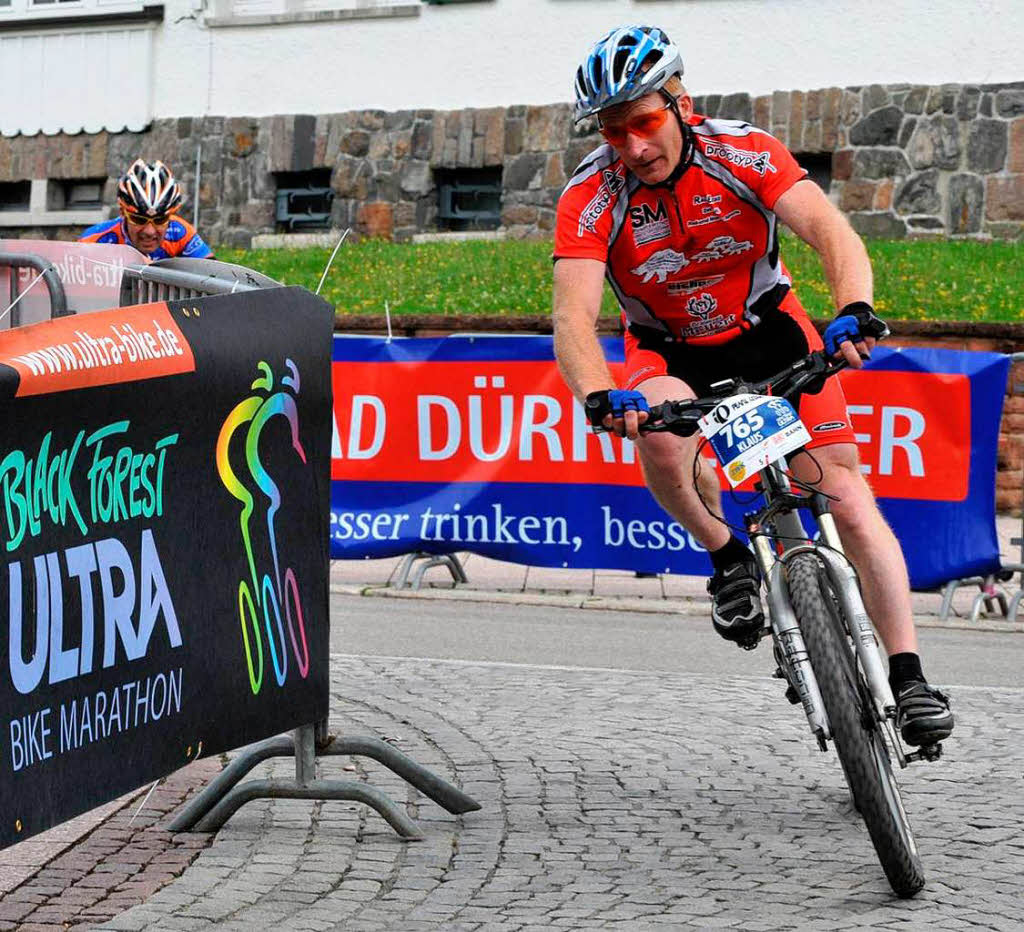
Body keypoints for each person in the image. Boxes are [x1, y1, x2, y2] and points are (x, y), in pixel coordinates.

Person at [552, 24, 953, 747]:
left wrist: (854, 308)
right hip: (670, 348)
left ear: (680, 101)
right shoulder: (592, 194)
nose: (633, 147)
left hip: (773, 332)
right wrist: (597, 394)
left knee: (851, 505)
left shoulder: (742, 151)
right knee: (665, 444)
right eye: (614, 133)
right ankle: (727, 556)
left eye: (644, 123)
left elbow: (833, 234)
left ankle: (909, 675)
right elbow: (572, 317)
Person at [80, 159, 214, 260]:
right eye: (138, 219)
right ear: (122, 213)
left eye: (160, 220)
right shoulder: (94, 241)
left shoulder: (181, 232)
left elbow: (215, 276)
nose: (149, 231)